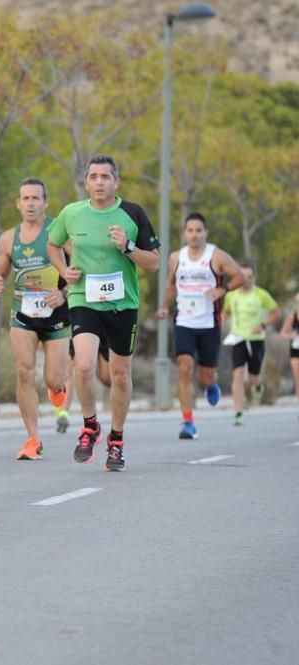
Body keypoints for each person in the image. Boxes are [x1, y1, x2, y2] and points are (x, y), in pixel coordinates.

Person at [47, 154, 160, 471]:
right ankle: (90, 425)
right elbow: (53, 245)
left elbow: (154, 262)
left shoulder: (132, 213)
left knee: (120, 376)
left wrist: (128, 248)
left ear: (116, 182)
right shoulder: (72, 213)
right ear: (86, 182)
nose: (99, 182)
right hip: (84, 298)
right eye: (93, 177)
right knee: (83, 365)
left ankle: (117, 440)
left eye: (105, 177)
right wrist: (63, 270)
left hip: (124, 304)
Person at [0, 178, 70, 460]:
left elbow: (80, 268)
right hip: (23, 311)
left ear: (45, 202)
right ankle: (32, 438)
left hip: (56, 311)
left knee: (53, 378)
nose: (31, 204)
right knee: (24, 371)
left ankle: (58, 389)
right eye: (26, 198)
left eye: (36, 198)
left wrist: (64, 293)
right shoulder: (9, 238)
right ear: (18, 203)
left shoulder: (59, 231)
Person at [156, 212, 245, 439]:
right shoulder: (177, 257)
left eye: (198, 230)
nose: (194, 235)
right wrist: (164, 306)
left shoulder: (216, 256)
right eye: (190, 230)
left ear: (205, 232)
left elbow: (240, 277)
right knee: (184, 367)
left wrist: (222, 289)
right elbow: (170, 285)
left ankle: (211, 383)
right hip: (184, 321)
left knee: (205, 375)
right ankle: (187, 422)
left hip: (208, 323)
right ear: (184, 233)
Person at [222, 262, 280, 426]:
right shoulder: (231, 295)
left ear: (254, 278)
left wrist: (263, 325)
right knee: (238, 374)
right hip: (238, 338)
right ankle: (238, 411)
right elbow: (225, 312)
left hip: (256, 339)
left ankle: (258, 386)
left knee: (253, 377)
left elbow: (276, 312)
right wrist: (221, 322)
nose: (245, 280)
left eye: (249, 277)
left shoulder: (261, 294)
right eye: (242, 276)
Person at [278, 292, 299, 415]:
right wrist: (292, 335)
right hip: (295, 348)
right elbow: (282, 333)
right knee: (297, 377)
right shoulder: (293, 316)